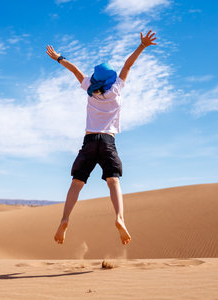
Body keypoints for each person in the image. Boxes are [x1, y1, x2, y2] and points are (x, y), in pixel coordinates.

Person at [46, 30, 157, 245]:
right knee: (113, 181)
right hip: (108, 141)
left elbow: (75, 71)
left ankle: (65, 219)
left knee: (76, 183)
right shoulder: (116, 89)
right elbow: (127, 66)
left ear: (96, 81)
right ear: (110, 80)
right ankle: (119, 218)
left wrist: (59, 58)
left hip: (89, 142)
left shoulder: (89, 89)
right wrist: (142, 46)